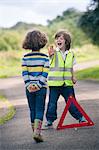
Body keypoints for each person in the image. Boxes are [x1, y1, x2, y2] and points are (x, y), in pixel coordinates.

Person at [45, 30, 85, 128]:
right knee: (52, 103)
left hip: (67, 84)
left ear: (66, 41)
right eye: (57, 38)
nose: (58, 40)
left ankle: (80, 118)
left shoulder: (71, 54)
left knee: (72, 102)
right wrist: (50, 54)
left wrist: (73, 76)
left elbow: (70, 67)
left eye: (61, 38)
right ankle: (49, 120)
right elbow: (49, 59)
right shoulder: (54, 52)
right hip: (54, 84)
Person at [22, 30, 49, 142]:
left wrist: (29, 85)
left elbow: (24, 74)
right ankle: (37, 133)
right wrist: (38, 85)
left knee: (32, 109)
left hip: (29, 89)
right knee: (39, 109)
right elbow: (45, 73)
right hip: (41, 88)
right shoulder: (45, 57)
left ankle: (35, 132)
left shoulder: (25, 58)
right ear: (42, 42)